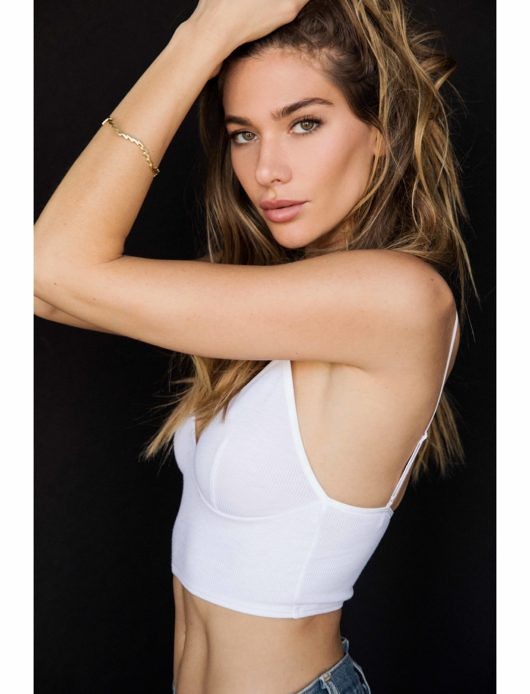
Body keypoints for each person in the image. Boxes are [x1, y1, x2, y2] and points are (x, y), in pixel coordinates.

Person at [34, 0, 477, 691]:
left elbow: (48, 269)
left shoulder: (400, 298)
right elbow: (48, 290)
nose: (268, 168)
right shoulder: (284, 306)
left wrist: (201, 36)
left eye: (304, 123)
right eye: (243, 134)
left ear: (380, 134)